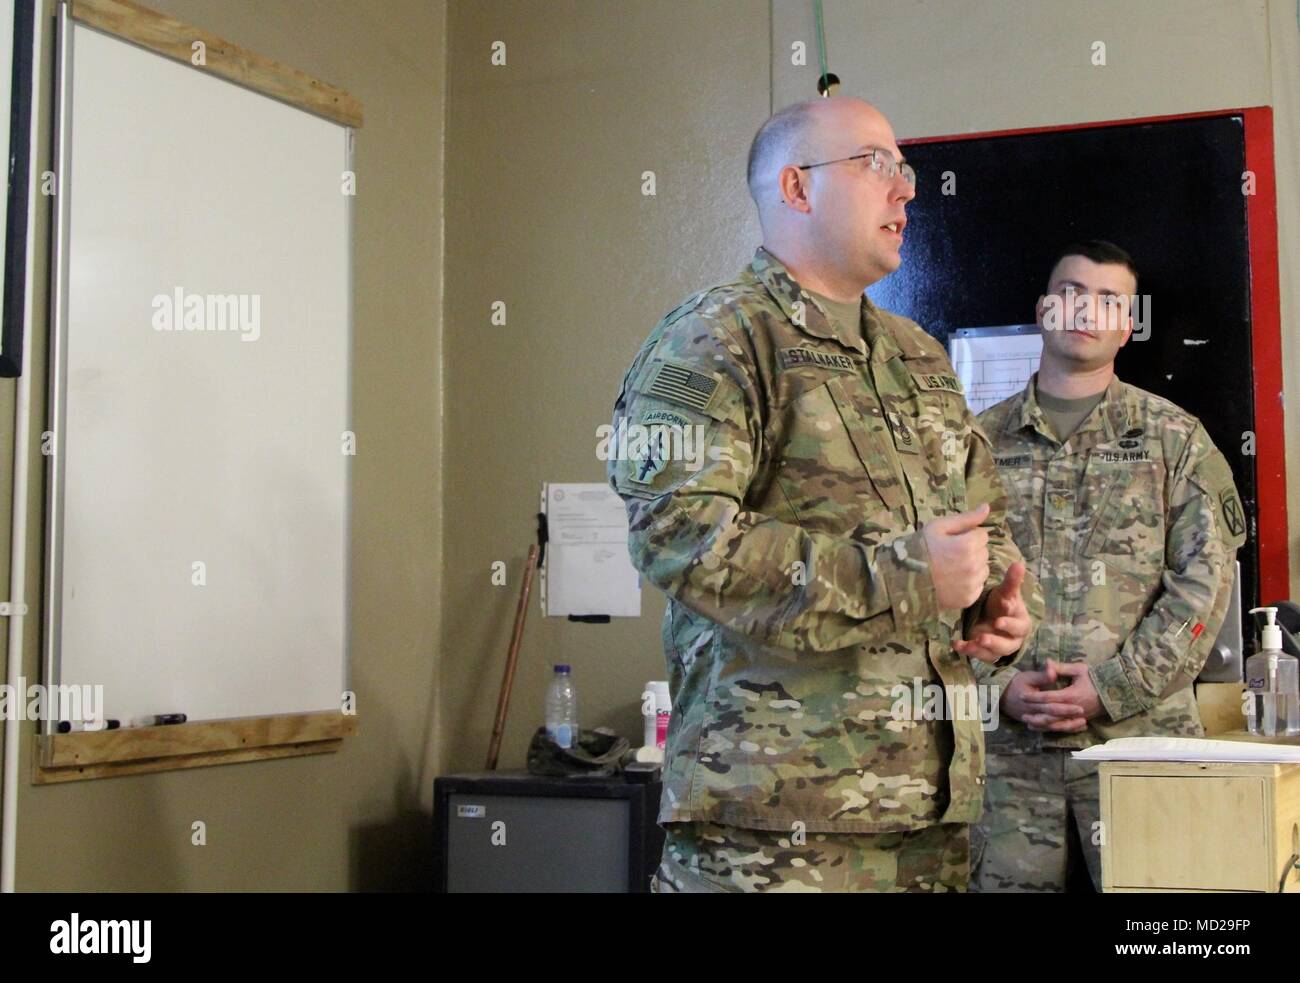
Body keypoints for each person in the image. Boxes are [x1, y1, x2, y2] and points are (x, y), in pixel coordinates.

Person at [605, 95, 1042, 893]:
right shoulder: (717, 340)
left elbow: (985, 523)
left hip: (929, 822)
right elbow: (679, 534)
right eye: (878, 165)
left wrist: (996, 605)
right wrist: (909, 577)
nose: (906, 189)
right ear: (797, 188)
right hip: (773, 833)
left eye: (905, 169)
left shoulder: (918, 358)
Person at [970, 240, 1247, 892]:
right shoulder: (971, 444)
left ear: (1129, 323)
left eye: (1107, 299)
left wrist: (1111, 685)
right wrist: (998, 686)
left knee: (1169, 930)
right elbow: (933, 589)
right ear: (1043, 309)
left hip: (1141, 742)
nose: (1084, 309)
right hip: (1005, 756)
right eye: (1069, 292)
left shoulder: (1174, 439)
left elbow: (1203, 588)